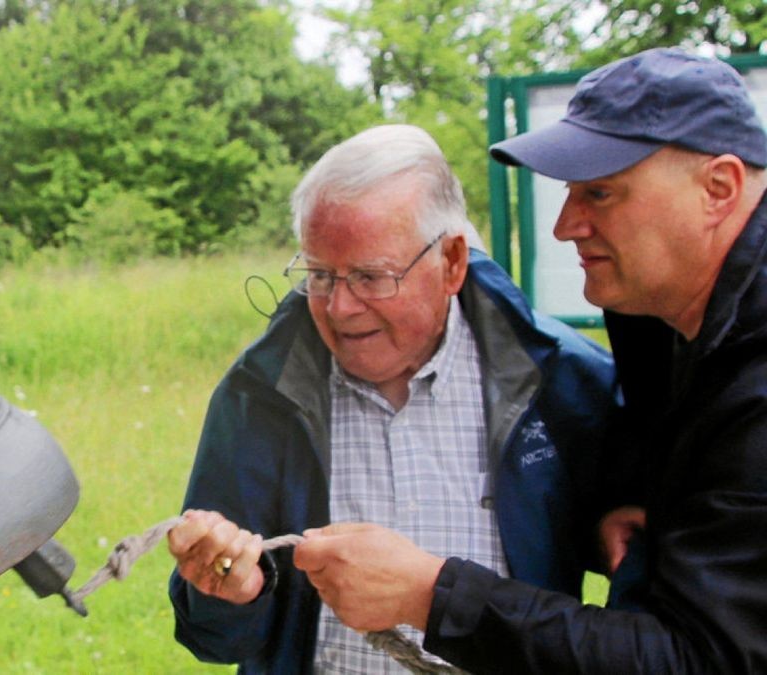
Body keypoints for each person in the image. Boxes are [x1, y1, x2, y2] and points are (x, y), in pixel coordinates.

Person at [294, 47, 767, 673]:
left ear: (719, 188)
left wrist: (434, 594)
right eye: (570, 193)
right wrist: (638, 492)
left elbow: (700, 659)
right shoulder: (662, 309)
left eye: (600, 193)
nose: (566, 225)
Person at [166, 124, 619, 673]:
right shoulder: (260, 395)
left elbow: (650, 607)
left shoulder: (562, 382)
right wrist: (230, 591)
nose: (340, 308)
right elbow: (213, 638)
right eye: (319, 275)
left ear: (451, 262)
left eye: (370, 277)